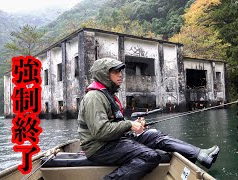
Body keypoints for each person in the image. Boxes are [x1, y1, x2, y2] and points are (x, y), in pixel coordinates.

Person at [77, 57, 220, 180]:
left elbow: (116, 124)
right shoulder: (94, 97)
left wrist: (134, 127)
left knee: (154, 134)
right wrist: (129, 125)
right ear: (104, 75)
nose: (120, 75)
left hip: (113, 141)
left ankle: (200, 154)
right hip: (99, 149)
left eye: (120, 71)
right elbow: (101, 131)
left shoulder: (107, 94)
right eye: (115, 71)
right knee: (150, 156)